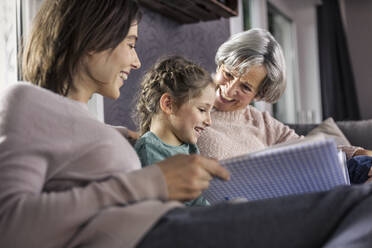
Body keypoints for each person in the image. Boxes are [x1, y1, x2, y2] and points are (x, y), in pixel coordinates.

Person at [1, 1, 372, 247]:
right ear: (93, 39)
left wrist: (118, 139)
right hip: (151, 234)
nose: (134, 61)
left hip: (169, 222)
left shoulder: (90, 127)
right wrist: (153, 181)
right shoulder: (23, 101)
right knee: (361, 203)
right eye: (130, 43)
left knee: (355, 199)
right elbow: (10, 226)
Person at [197, 28, 372, 181]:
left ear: (259, 94)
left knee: (363, 168)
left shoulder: (260, 121)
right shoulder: (187, 104)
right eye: (228, 74)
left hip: (271, 201)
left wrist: (356, 153)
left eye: (245, 87)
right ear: (220, 65)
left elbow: (308, 148)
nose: (229, 90)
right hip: (227, 208)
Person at [134, 56, 215, 206]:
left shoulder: (190, 147)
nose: (209, 121)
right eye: (202, 109)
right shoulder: (148, 149)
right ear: (168, 104)